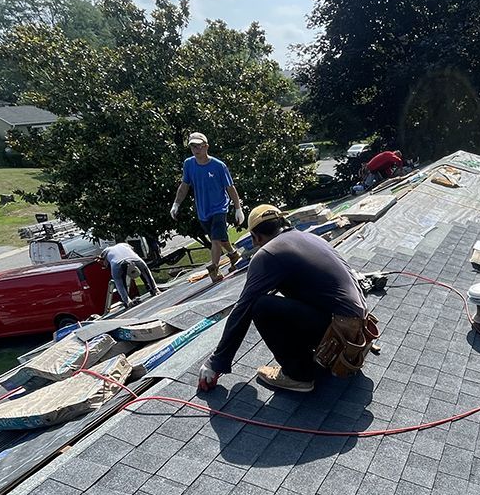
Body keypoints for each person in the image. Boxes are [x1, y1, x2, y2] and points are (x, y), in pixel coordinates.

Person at [197, 205, 375, 394]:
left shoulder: (268, 254)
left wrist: (216, 362)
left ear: (255, 238)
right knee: (282, 298)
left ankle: (298, 375)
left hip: (340, 334)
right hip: (358, 332)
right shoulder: (311, 238)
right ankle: (323, 354)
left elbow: (243, 308)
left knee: (262, 306)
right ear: (284, 223)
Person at [170, 133, 245, 283]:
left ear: (206, 147)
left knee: (215, 240)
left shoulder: (218, 166)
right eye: (193, 146)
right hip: (203, 210)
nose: (196, 149)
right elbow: (185, 186)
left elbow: (230, 188)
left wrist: (238, 208)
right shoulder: (189, 164)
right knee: (221, 238)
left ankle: (214, 269)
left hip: (219, 207)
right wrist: (176, 204)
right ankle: (233, 254)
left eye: (199, 146)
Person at [101, 242, 159, 308]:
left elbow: (119, 285)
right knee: (145, 272)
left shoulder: (112, 262)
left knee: (119, 281)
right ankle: (152, 289)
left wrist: (127, 301)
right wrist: (155, 289)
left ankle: (126, 301)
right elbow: (147, 274)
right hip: (134, 259)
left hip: (118, 263)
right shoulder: (126, 248)